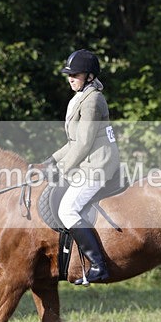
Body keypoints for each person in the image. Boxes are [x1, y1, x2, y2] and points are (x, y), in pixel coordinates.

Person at [37, 49, 120, 284]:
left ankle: (98, 265)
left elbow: (84, 143)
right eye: (69, 74)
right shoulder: (80, 97)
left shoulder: (93, 99)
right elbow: (73, 141)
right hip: (88, 162)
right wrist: (51, 161)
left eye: (76, 74)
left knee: (67, 210)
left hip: (98, 165)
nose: (70, 78)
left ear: (90, 76)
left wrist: (61, 170)